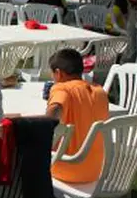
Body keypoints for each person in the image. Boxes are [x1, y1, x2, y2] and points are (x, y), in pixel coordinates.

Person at [47, 48, 109, 184]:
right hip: (96, 170)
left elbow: (55, 110)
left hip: (68, 168)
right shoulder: (100, 91)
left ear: (58, 73)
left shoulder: (62, 88)